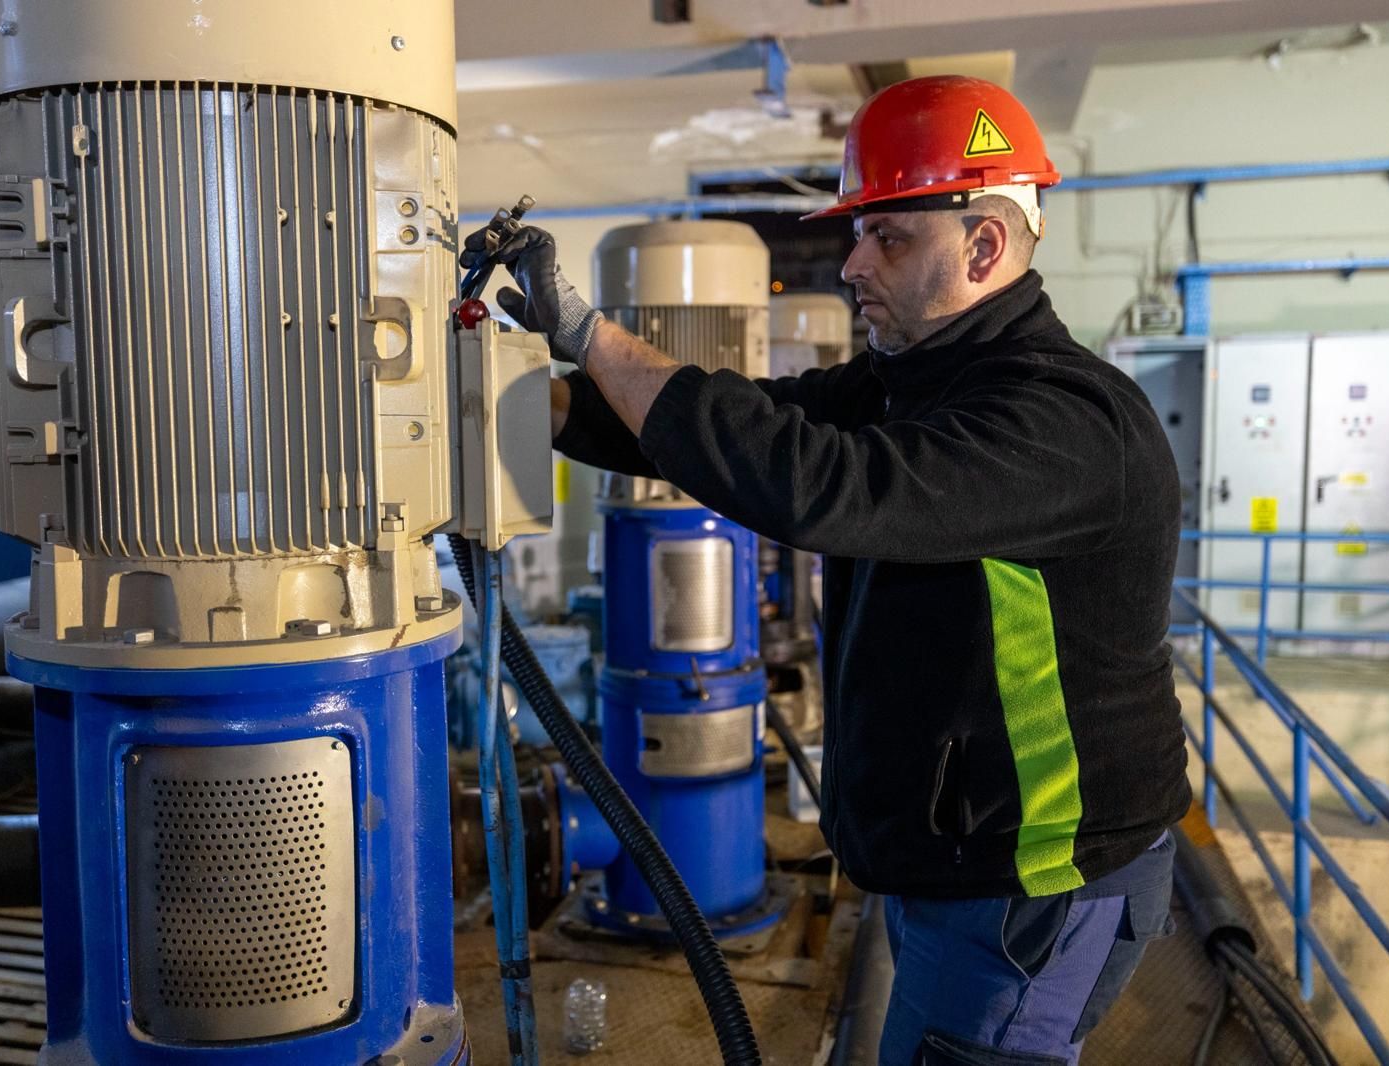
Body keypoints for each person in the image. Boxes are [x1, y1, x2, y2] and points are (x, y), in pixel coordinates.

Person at [465, 75, 1190, 1066]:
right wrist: (527, 396)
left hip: (1030, 889)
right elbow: (747, 422)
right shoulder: (918, 380)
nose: (852, 264)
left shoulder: (1060, 422)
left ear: (981, 246)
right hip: (960, 868)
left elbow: (817, 483)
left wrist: (594, 333)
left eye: (886, 237)